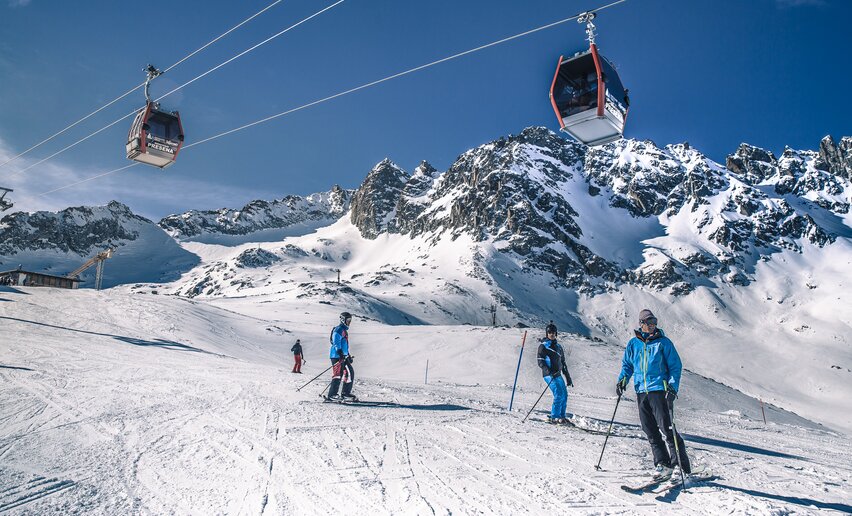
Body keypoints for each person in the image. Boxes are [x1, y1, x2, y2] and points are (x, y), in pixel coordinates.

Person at [616, 309, 691, 480]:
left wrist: (672, 387)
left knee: (667, 428)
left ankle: (680, 466)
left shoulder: (663, 343)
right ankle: (662, 463)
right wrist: (622, 381)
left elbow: (675, 366)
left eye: (654, 323)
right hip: (641, 391)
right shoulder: (633, 344)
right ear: (641, 324)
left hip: (659, 390)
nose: (652, 326)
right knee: (649, 429)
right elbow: (627, 366)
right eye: (649, 323)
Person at [536, 321, 573, 424]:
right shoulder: (543, 346)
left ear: (556, 334)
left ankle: (562, 416)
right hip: (548, 375)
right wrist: (549, 371)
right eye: (549, 332)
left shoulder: (559, 347)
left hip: (557, 374)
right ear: (547, 334)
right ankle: (554, 416)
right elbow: (540, 362)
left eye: (553, 332)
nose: (552, 334)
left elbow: (563, 363)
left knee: (564, 395)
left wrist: (568, 377)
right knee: (558, 394)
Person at [327, 312, 356, 401]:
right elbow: (336, 341)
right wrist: (339, 352)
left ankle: (345, 394)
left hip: (342, 356)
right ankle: (332, 395)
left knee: (349, 373)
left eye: (350, 321)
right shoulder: (339, 329)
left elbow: (344, 346)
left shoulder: (344, 330)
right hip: (336, 356)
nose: (349, 323)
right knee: (338, 374)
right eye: (348, 320)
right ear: (343, 320)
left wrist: (348, 356)